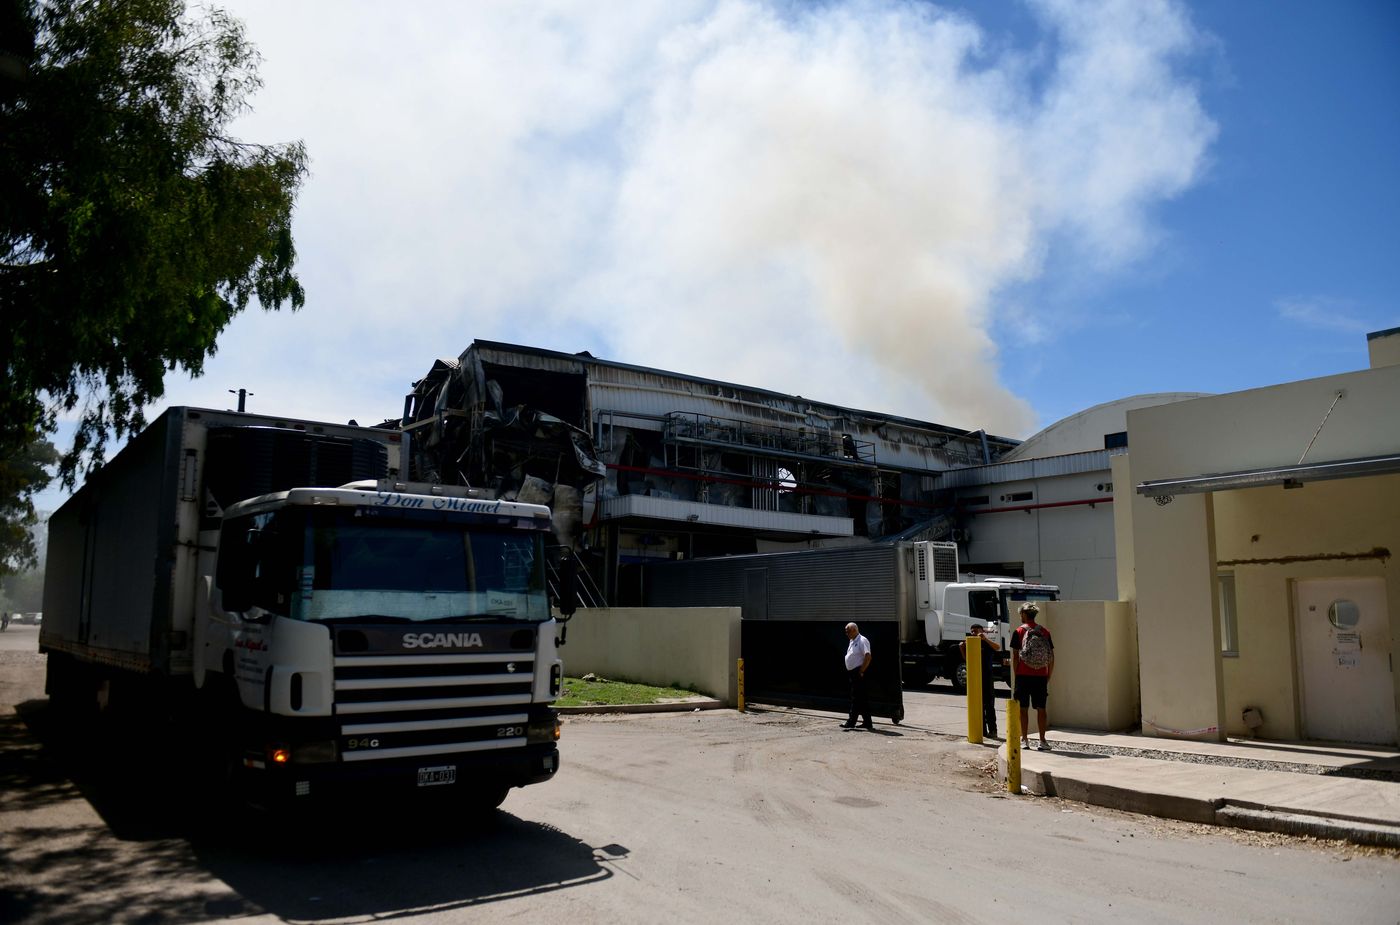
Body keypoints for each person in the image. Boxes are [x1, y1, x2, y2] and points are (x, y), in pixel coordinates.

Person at [1010, 602, 1054, 751]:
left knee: (1023, 708)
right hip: (1041, 675)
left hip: (1023, 675)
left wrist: (1017, 674)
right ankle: (1042, 741)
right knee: (1041, 708)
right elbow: (1051, 656)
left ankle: (1025, 740)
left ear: (1023, 614)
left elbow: (1015, 657)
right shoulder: (1045, 632)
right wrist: (1048, 675)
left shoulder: (1018, 631)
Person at [959, 623, 1002, 738]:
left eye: (976, 631)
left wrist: (985, 639)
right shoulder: (971, 643)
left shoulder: (986, 643)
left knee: (989, 705)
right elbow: (966, 659)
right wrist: (962, 648)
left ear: (982, 631)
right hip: (975, 677)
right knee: (978, 705)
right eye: (972, 631)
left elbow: (997, 647)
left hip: (987, 677)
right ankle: (981, 731)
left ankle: (993, 730)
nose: (974, 633)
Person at [841, 622, 874, 730]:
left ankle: (851, 722)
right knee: (862, 699)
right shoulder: (852, 641)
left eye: (848, 631)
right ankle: (868, 722)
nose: (846, 633)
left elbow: (868, 656)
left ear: (855, 630)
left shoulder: (862, 640)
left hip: (859, 673)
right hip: (853, 673)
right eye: (846, 631)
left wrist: (861, 671)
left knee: (856, 698)